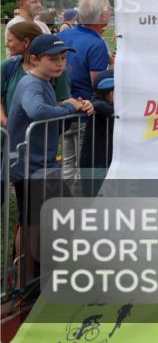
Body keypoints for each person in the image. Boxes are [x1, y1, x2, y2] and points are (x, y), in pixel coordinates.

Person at [7, 34, 93, 265]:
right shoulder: (32, 83)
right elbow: (36, 111)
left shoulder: (43, 82)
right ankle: (23, 280)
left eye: (63, 58)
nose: (60, 63)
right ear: (34, 60)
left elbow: (48, 108)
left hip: (41, 163)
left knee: (44, 218)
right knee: (32, 222)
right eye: (53, 59)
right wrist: (67, 107)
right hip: (28, 165)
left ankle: (36, 274)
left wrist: (76, 106)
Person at [59, 0, 112, 192]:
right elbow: (99, 85)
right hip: (85, 114)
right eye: (107, 8)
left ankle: (64, 205)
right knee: (86, 164)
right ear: (101, 17)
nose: (110, 11)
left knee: (68, 163)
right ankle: (82, 210)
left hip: (64, 108)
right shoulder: (96, 44)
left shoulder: (64, 34)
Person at [2, 22, 73, 129]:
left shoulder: (58, 71)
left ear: (25, 42)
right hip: (12, 137)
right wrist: (4, 120)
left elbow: (60, 102)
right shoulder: (8, 66)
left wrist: (78, 106)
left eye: (10, 40)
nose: (6, 44)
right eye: (53, 59)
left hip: (41, 135)